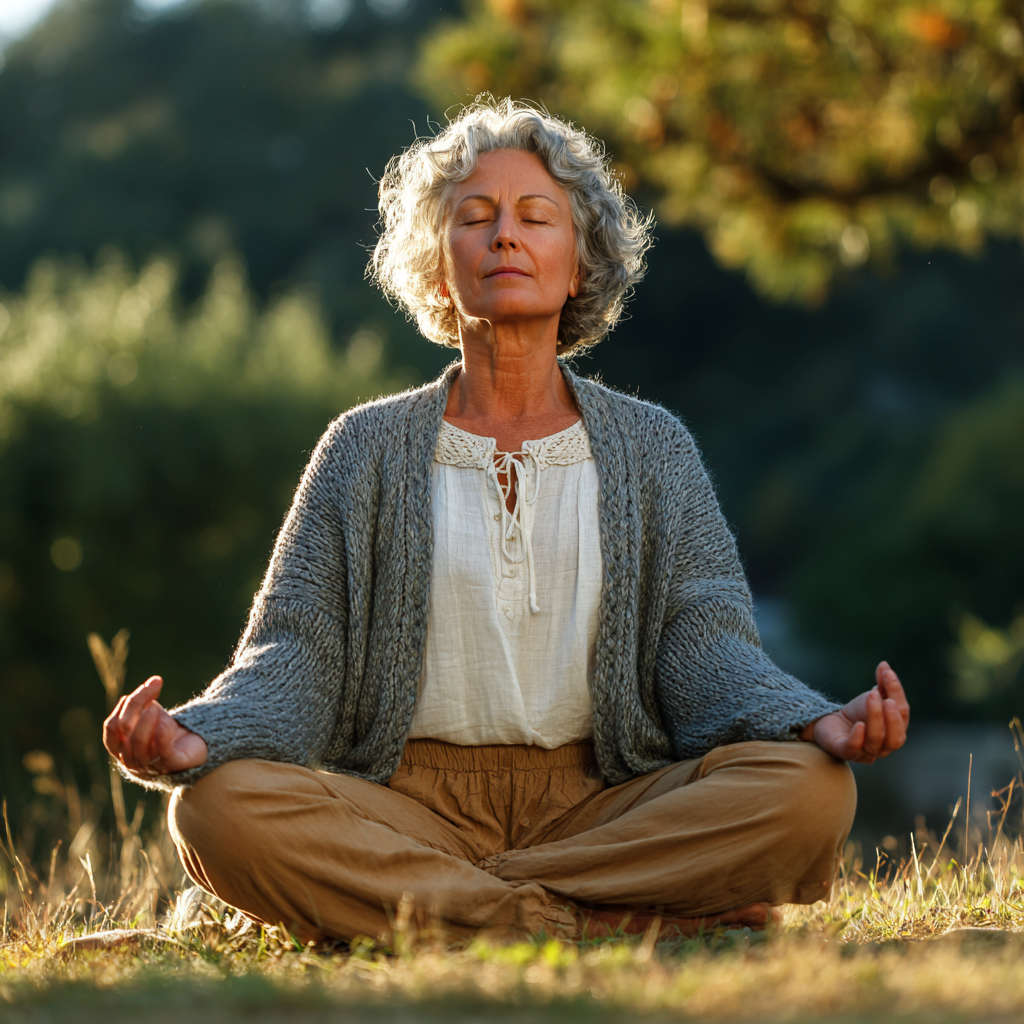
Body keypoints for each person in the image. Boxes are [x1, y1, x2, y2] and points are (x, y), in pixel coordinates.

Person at [103, 98, 909, 946]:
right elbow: (295, 652)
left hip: (607, 807)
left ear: (579, 263)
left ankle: (450, 910)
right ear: (439, 264)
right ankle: (600, 920)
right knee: (217, 811)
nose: (505, 236)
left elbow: (704, 646)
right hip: (408, 808)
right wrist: (200, 737)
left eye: (535, 217)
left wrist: (810, 721)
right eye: (475, 217)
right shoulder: (363, 448)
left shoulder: (654, 448)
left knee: (814, 792)